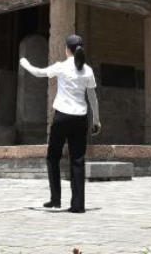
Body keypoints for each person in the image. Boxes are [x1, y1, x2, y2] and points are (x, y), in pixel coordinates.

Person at [19, 34, 101, 213]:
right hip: (80, 118)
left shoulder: (61, 66)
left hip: (62, 117)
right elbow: (92, 97)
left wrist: (24, 63)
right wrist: (96, 120)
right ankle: (78, 205)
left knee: (53, 157)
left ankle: (55, 199)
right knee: (77, 160)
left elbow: (39, 73)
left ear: (67, 49)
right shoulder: (87, 70)